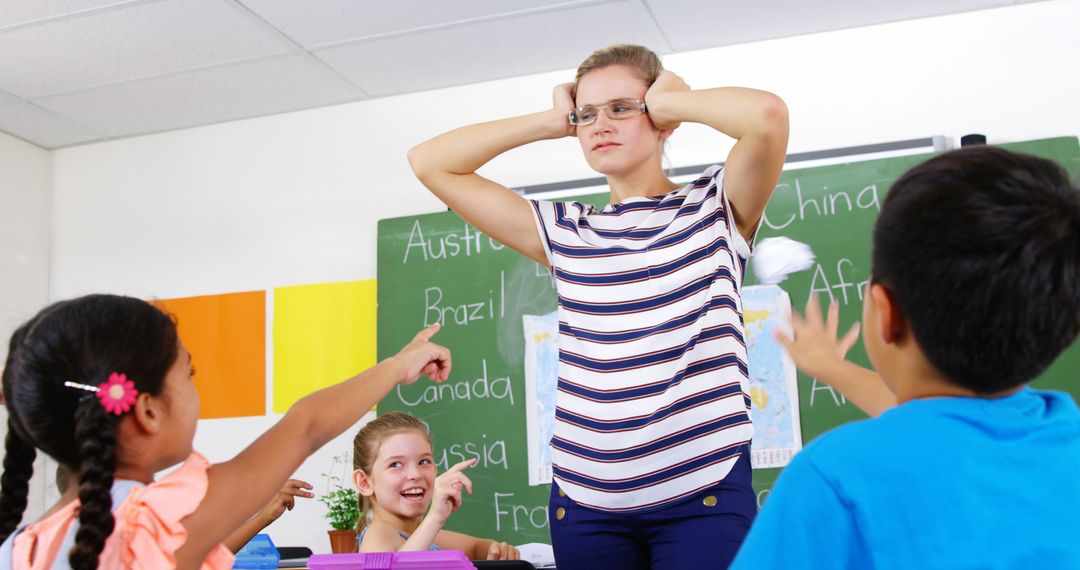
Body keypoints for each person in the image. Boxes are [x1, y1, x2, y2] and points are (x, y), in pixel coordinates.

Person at [408, 44, 788, 568]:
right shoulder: (566, 231)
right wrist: (547, 121)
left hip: (702, 495)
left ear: (659, 116)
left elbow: (766, 117)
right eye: (585, 114)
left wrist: (674, 103)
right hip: (586, 507)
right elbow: (429, 163)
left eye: (621, 108)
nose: (599, 125)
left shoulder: (715, 207)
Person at [731, 146, 1080, 567]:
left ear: (886, 311)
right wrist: (833, 368)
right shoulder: (1063, 440)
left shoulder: (834, 478)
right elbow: (941, 427)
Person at [0, 294, 450, 569]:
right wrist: (397, 366)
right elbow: (306, 426)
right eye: (188, 374)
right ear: (148, 412)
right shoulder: (161, 520)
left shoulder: (17, 548)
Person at [351, 412, 518, 560]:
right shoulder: (378, 533)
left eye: (424, 461)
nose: (415, 474)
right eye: (395, 464)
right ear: (364, 482)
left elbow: (477, 547)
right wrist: (435, 518)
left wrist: (497, 550)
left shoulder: (427, 537)